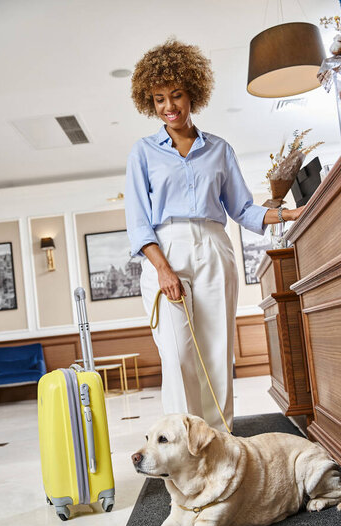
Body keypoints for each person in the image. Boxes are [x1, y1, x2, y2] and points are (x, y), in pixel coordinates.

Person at [124, 39, 303, 431]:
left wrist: (288, 212)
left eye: (176, 95)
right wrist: (163, 270)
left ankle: (219, 440)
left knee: (217, 352)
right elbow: (138, 222)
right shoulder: (143, 152)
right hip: (165, 250)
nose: (168, 106)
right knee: (176, 356)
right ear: (149, 103)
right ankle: (181, 450)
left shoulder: (219, 150)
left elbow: (241, 209)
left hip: (214, 247)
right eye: (158, 99)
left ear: (192, 94)